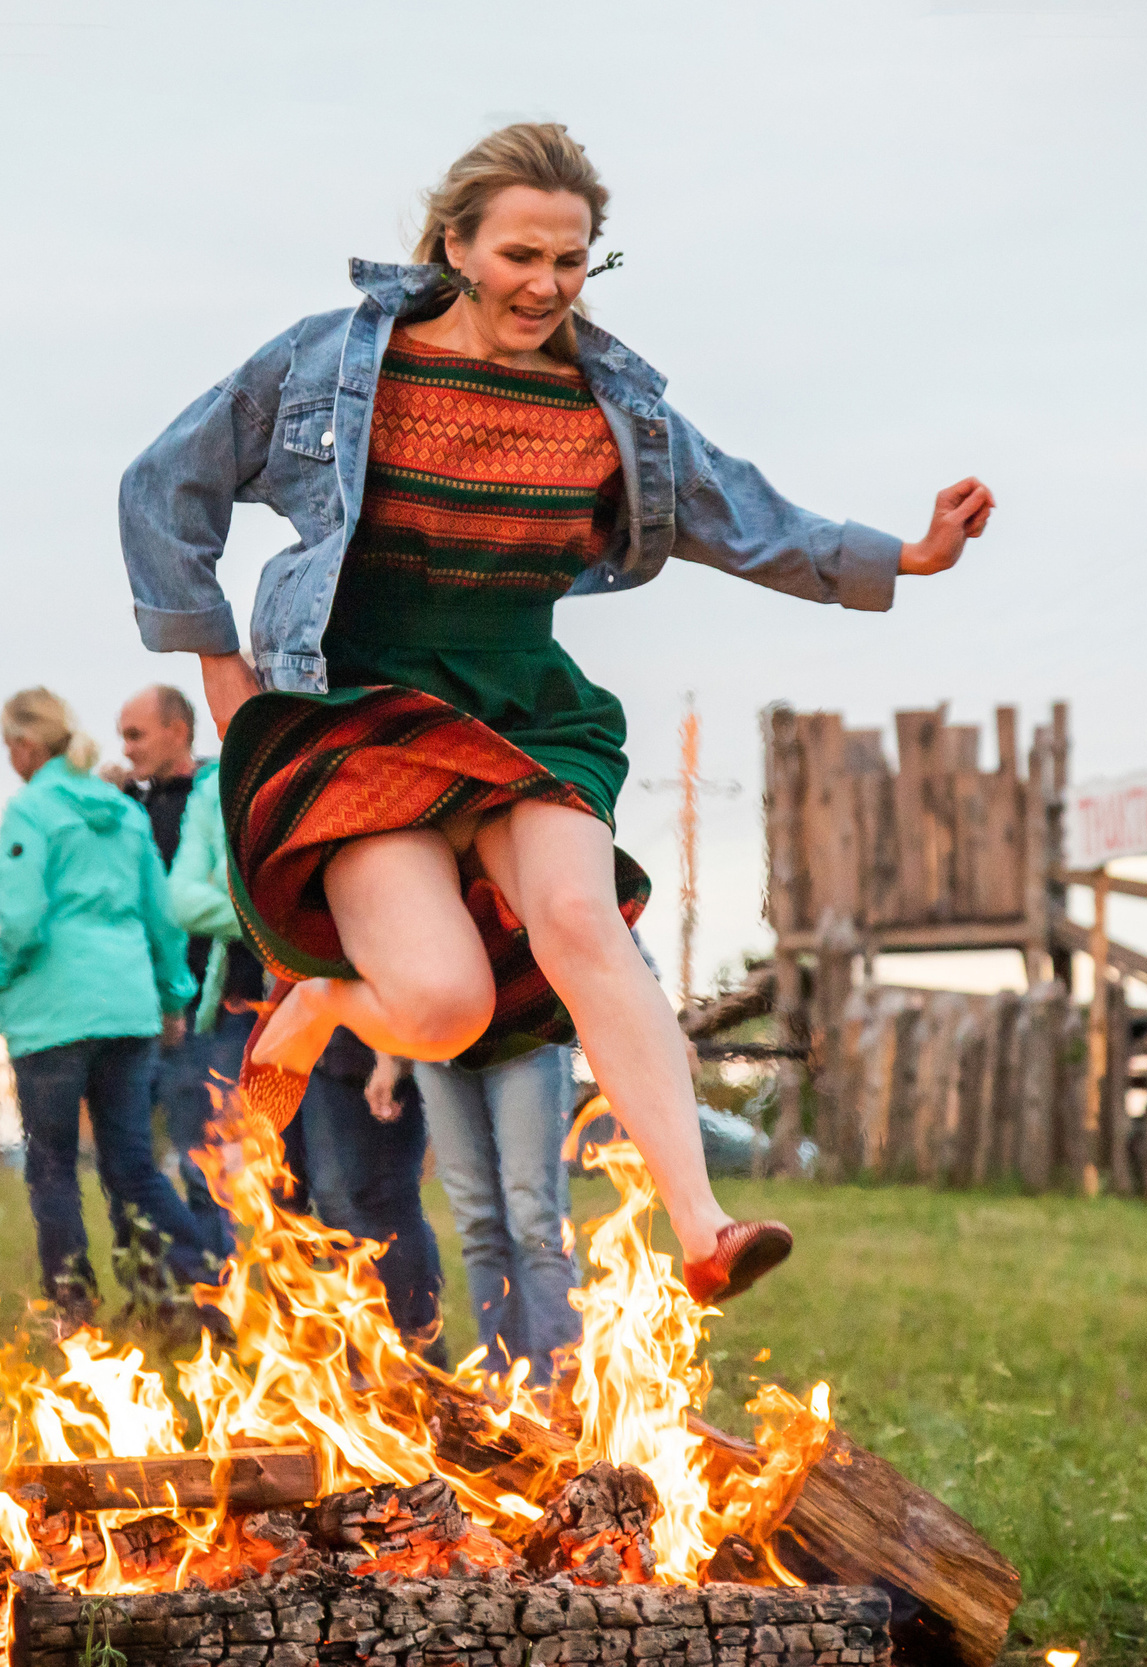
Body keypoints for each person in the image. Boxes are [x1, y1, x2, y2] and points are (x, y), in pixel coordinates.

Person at [119, 121, 994, 1304]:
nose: (545, 284)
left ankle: (703, 1228)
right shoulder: (327, 363)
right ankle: (326, 994)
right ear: (455, 246)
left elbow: (735, 511)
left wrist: (910, 555)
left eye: (571, 261)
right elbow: (162, 486)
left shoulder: (611, 402)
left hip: (525, 704)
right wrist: (223, 675)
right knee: (436, 1008)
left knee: (582, 921)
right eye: (520, 256)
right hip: (361, 710)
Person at [0, 688, 214, 1326]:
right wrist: (174, 997)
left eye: (10, 745)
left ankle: (72, 1313)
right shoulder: (123, 813)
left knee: (54, 1164)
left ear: (28, 746)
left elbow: (22, 921)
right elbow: (162, 917)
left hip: (54, 1016)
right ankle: (206, 1288)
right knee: (133, 1166)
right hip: (129, 1010)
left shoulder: (29, 811)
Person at [115, 684, 268, 1254]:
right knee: (142, 1169)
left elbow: (216, 903)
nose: (126, 749)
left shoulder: (217, 798)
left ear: (178, 730)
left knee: (213, 1167)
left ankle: (228, 1306)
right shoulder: (135, 807)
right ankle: (179, 1299)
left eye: (136, 734)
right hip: (148, 1014)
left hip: (221, 1010)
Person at [415, 1044, 581, 1385]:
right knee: (477, 1226)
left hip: (521, 1036)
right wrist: (389, 1061)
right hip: (436, 1053)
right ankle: (501, 1384)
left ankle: (562, 1387)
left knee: (534, 1221)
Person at [282, 1031, 448, 1363]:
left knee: (384, 1201)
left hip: (376, 1040)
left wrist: (387, 1057)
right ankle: (368, 1354)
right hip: (317, 1047)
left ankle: (414, 1353)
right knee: (335, 1205)